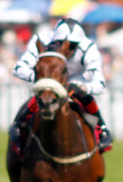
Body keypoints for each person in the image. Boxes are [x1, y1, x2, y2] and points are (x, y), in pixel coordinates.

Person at [9, 18, 112, 153]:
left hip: (76, 82)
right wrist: (44, 79)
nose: (67, 49)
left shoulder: (88, 47)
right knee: (42, 96)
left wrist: (84, 87)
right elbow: (18, 69)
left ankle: (102, 128)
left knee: (85, 97)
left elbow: (100, 84)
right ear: (55, 39)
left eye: (73, 44)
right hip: (49, 80)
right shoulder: (41, 40)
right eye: (62, 43)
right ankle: (19, 124)